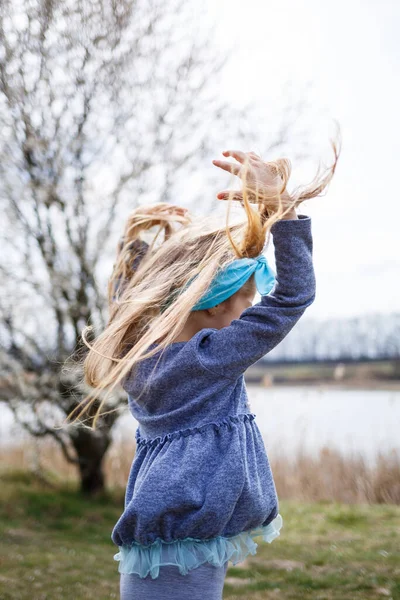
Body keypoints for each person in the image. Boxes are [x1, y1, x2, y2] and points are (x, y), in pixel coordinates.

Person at [77, 143, 340, 599]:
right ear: (217, 303)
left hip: (171, 531)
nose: (253, 308)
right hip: (187, 530)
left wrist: (134, 242)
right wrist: (285, 207)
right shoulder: (209, 358)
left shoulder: (139, 352)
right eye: (248, 298)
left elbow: (130, 303)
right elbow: (294, 297)